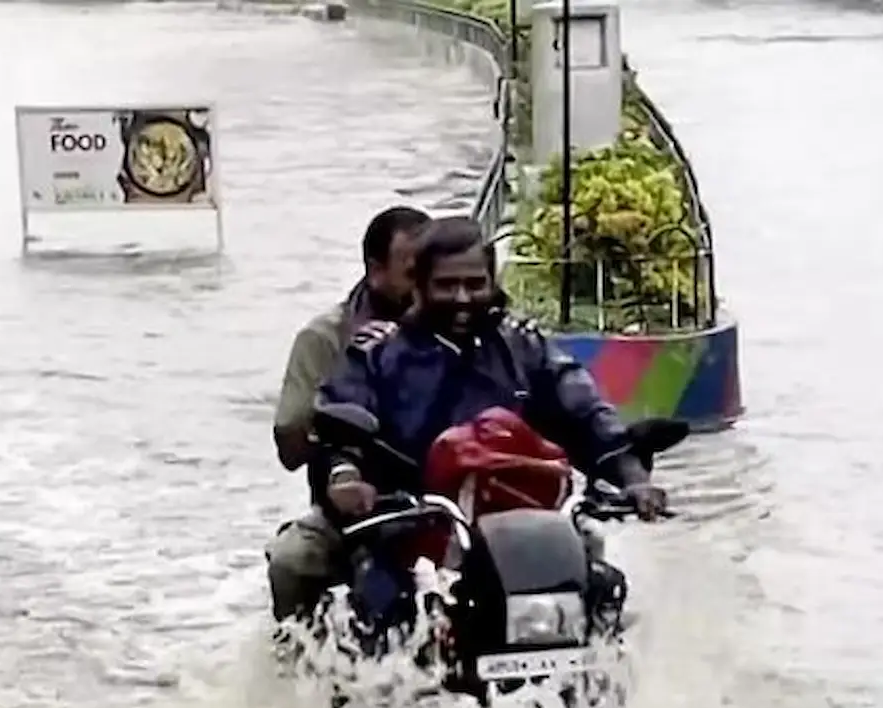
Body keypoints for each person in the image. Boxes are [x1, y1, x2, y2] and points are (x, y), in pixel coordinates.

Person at [302, 217, 666, 612]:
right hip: (411, 529)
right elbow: (341, 425)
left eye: (475, 283)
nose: (462, 297)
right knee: (379, 605)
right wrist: (347, 477)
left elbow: (584, 412)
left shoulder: (525, 348)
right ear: (420, 286)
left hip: (526, 532)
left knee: (602, 592)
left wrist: (634, 478)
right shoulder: (377, 356)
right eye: (447, 285)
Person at [264, 205, 431, 621]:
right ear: (376, 270)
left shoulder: (457, 326)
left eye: (432, 272)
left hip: (450, 499)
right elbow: (290, 444)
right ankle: (299, 662)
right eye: (412, 273)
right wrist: (339, 439)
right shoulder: (328, 338)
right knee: (292, 561)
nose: (426, 286)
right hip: (358, 507)